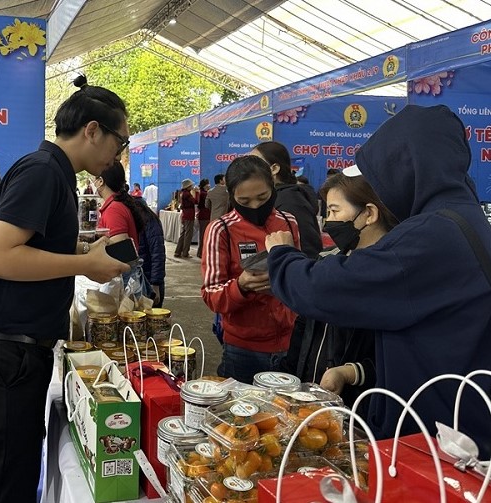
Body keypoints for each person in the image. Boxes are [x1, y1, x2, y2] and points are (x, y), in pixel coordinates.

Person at [265, 105, 491, 455]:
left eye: (383, 175)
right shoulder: (464, 219)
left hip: (436, 440)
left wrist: (281, 259)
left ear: (407, 167)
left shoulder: (433, 234)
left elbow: (330, 289)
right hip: (457, 421)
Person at [0, 75, 130, 502]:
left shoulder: (54, 172)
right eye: (119, 140)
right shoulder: (43, 172)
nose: (118, 153)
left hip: (13, 353)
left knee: (15, 477)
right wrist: (84, 263)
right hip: (4, 357)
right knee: (8, 490)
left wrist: (80, 246)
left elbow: (29, 244)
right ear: (92, 129)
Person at [277, 172, 398, 410]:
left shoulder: (390, 276)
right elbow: (305, 326)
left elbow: (396, 357)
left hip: (360, 407)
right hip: (309, 400)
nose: (328, 221)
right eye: (327, 212)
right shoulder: (327, 262)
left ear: (369, 214)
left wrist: (351, 373)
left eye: (334, 211)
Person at [201, 155, 300, 384]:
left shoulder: (289, 222)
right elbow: (211, 294)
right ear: (232, 196)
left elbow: (299, 275)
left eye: (263, 197)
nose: (255, 206)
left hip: (289, 342)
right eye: (244, 201)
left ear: (273, 188)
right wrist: (241, 286)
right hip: (242, 349)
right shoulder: (221, 229)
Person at [252, 141, 322, 258]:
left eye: (255, 163)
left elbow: (308, 249)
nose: (248, 169)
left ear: (274, 168)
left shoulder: (290, 201)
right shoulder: (275, 198)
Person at [96, 161, 144, 248]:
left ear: (100, 181)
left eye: (95, 180)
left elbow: (120, 250)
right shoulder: (116, 204)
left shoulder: (114, 209)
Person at [134, 195, 166, 307]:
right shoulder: (138, 221)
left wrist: (155, 284)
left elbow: (158, 254)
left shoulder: (150, 221)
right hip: (140, 280)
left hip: (150, 281)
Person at [174, 179, 196, 258]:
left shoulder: (182, 193)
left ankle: (178, 251)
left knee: (183, 233)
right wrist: (196, 193)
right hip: (189, 215)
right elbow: (195, 201)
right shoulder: (187, 194)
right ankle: (185, 252)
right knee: (188, 234)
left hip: (185, 214)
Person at [196, 178, 210, 258]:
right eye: (208, 184)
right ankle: (201, 252)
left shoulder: (202, 193)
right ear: (205, 185)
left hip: (203, 215)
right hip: (204, 216)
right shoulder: (204, 194)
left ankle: (201, 252)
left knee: (203, 234)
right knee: (203, 235)